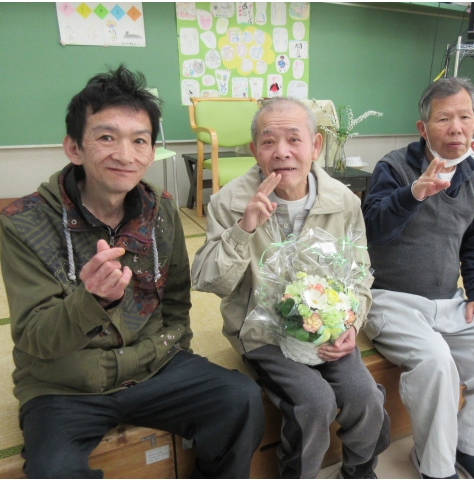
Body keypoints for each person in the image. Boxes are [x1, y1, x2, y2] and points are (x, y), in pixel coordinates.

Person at [0, 65, 264, 479]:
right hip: (65, 385)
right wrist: (91, 301)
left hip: (153, 367)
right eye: (106, 137)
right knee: (53, 471)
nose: (125, 155)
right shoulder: (25, 222)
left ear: (151, 151)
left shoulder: (161, 209)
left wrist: (170, 350)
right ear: (74, 148)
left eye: (139, 140)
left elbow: (176, 299)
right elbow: (34, 336)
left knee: (241, 398)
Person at [191, 97, 390, 479]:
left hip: (326, 328)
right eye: (268, 141)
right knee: (314, 402)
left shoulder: (343, 201)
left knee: (365, 396)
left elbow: (360, 273)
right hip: (261, 333)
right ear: (254, 150)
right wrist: (244, 228)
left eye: (294, 139)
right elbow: (210, 281)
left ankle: (360, 471)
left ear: (315, 146)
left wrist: (352, 324)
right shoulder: (229, 203)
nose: (281, 152)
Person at [362, 77, 474, 479]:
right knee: (435, 361)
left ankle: (471, 448)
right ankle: (434, 465)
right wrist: (412, 194)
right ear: (423, 128)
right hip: (389, 300)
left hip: (447, 301)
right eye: (443, 119)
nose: (456, 128)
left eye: (464, 117)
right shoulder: (393, 167)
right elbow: (373, 230)